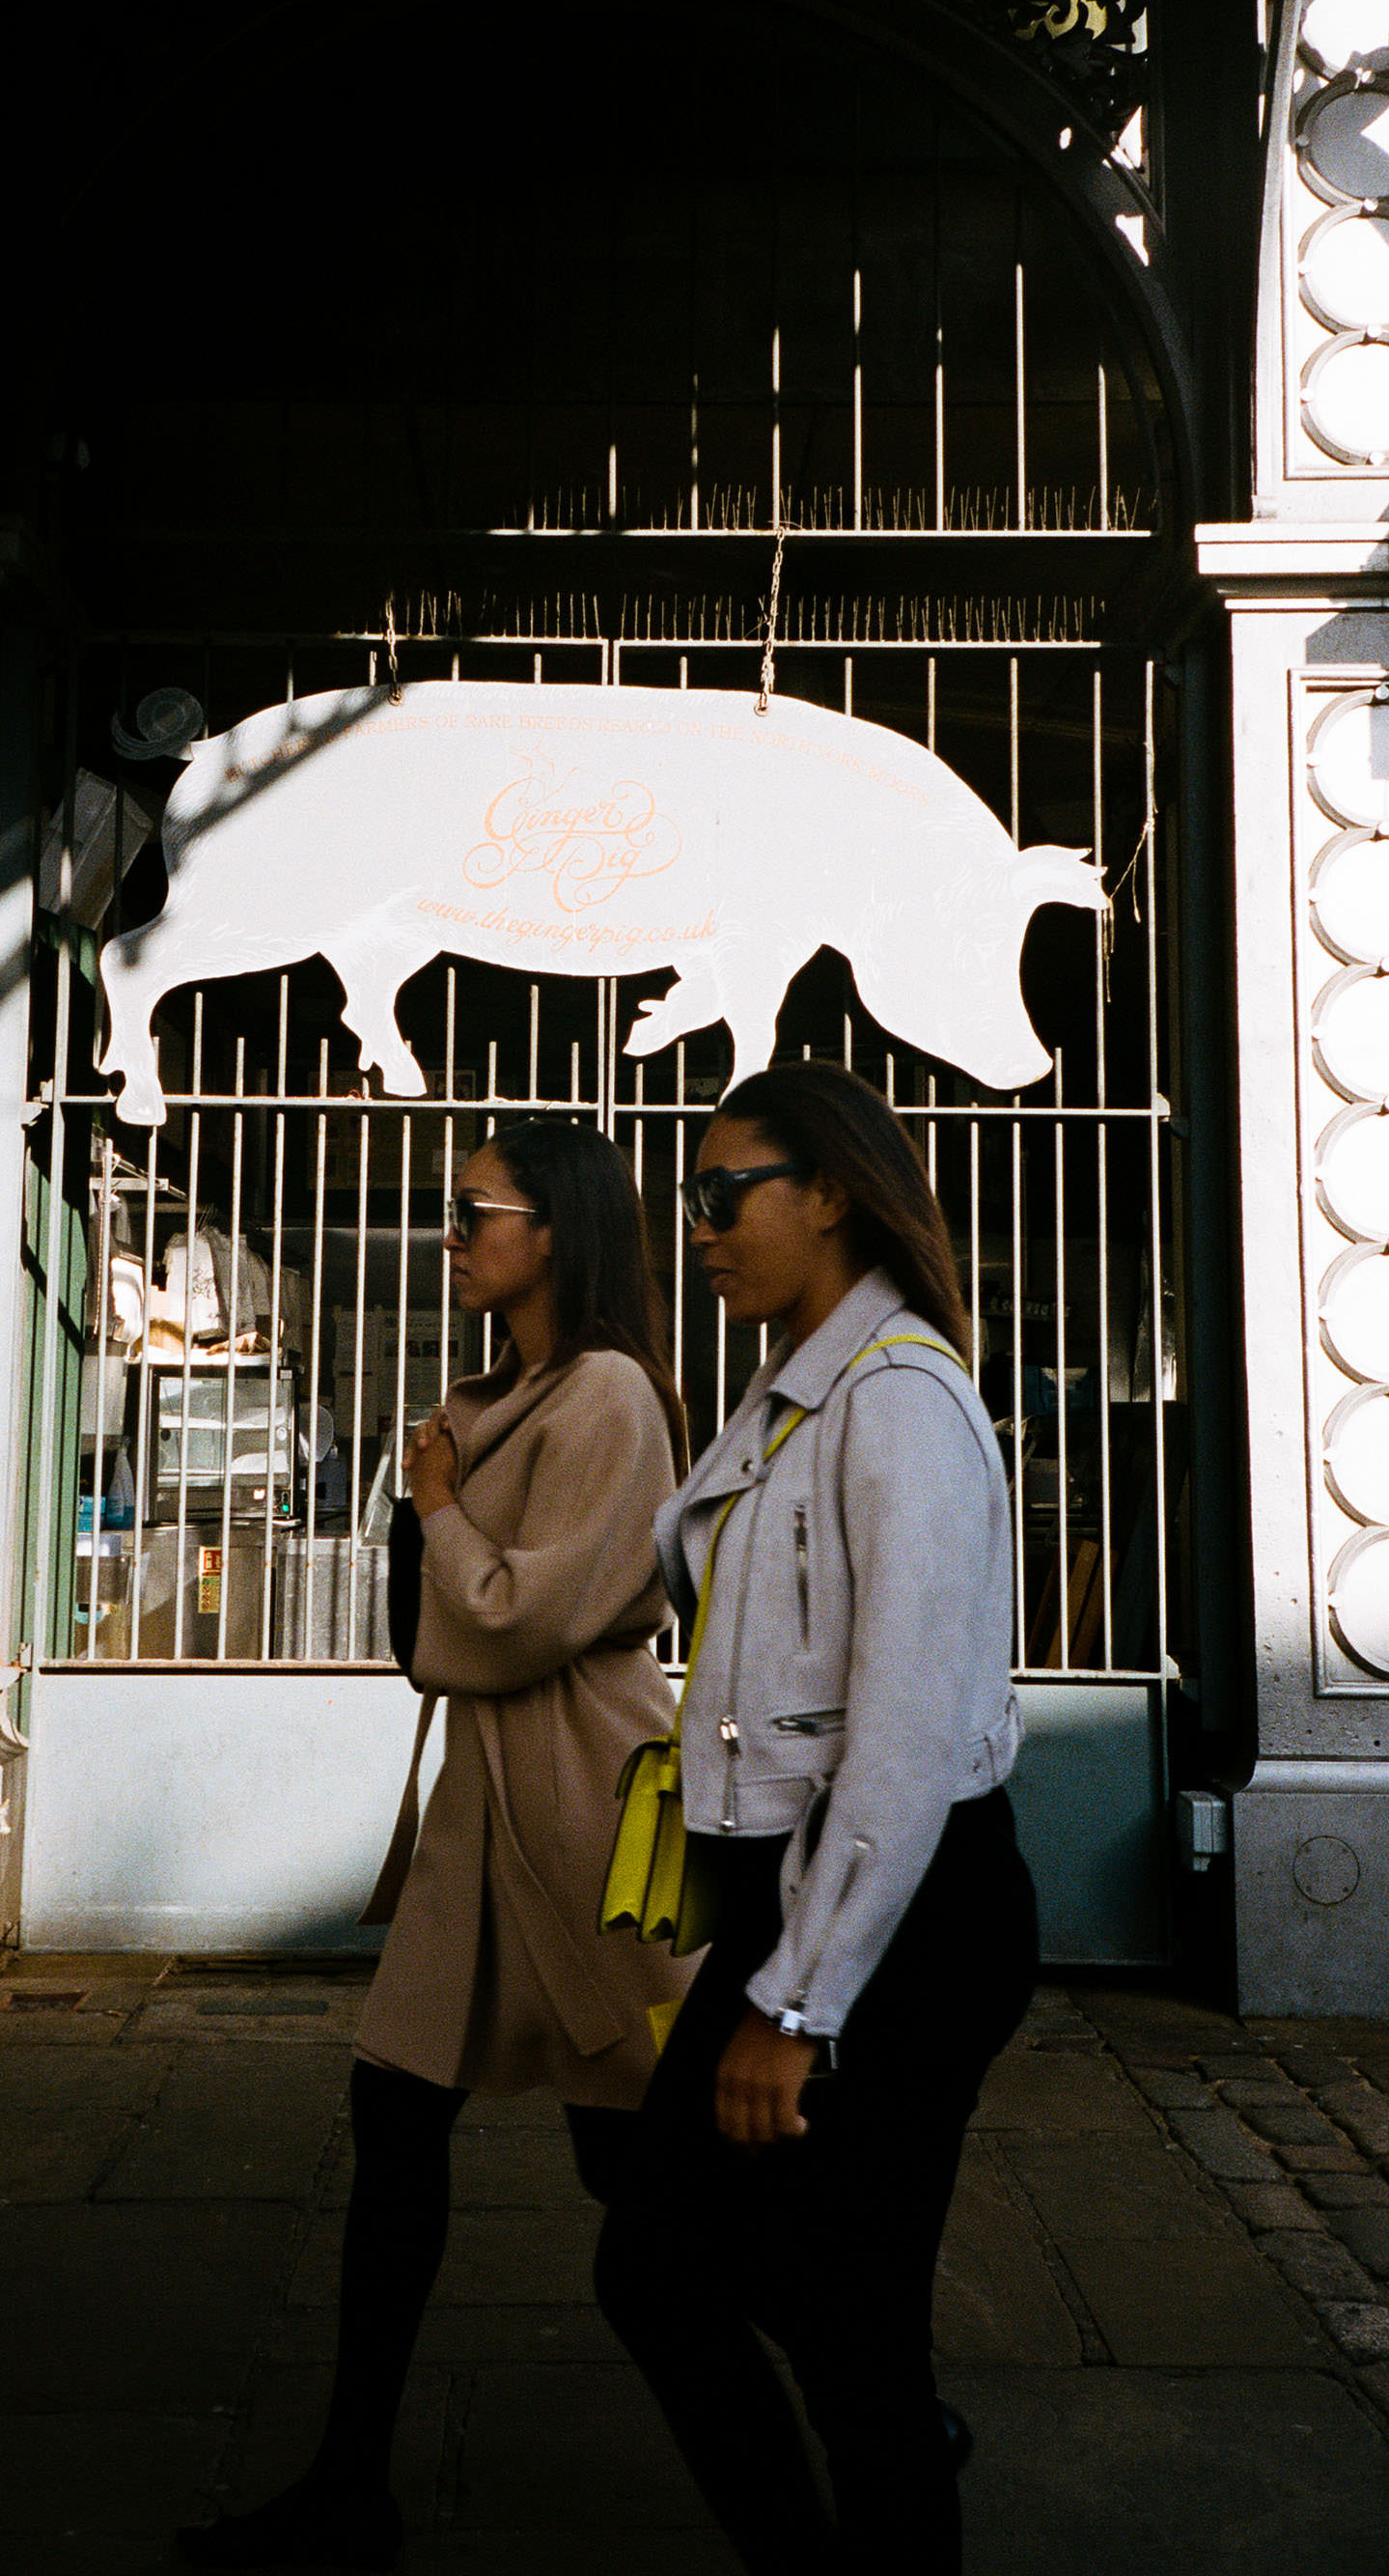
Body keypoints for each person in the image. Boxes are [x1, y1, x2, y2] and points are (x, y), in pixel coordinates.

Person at [179, 1117, 693, 2572]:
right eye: (450, 1213)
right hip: (485, 1807)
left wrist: (441, 1507)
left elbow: (528, 1613)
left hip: (584, 1798)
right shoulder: (502, 1391)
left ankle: (868, 2401)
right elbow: (441, 1636)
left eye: (475, 1213)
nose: (450, 1236)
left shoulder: (609, 1398)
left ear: (558, 1231)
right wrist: (448, 1510)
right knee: (397, 2118)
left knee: (637, 2165)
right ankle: (352, 2479)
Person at [595, 1061, 1039, 2576]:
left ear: (831, 1191)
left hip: (894, 1923)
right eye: (691, 1199)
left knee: (762, 2298)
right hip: (813, 1908)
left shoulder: (896, 1402)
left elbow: (905, 1741)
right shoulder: (791, 1396)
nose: (700, 1227)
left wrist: (797, 2001)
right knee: (698, 2268)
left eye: (726, 1194)